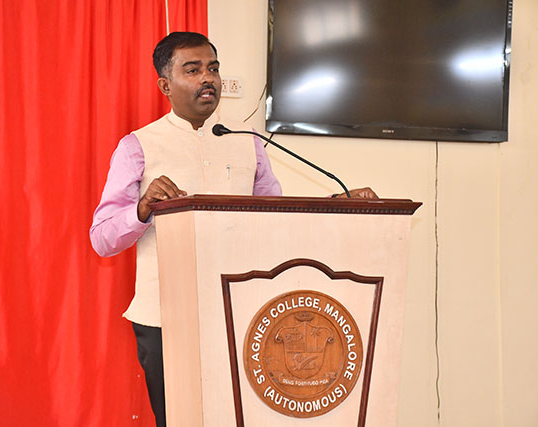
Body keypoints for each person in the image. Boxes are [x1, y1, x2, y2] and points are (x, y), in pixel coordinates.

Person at [90, 31, 375, 427]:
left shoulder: (246, 142)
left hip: (240, 312)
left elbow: (275, 218)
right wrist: (141, 210)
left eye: (213, 68)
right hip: (166, 317)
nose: (208, 78)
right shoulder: (138, 146)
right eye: (193, 70)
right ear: (165, 85)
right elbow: (102, 238)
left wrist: (335, 204)